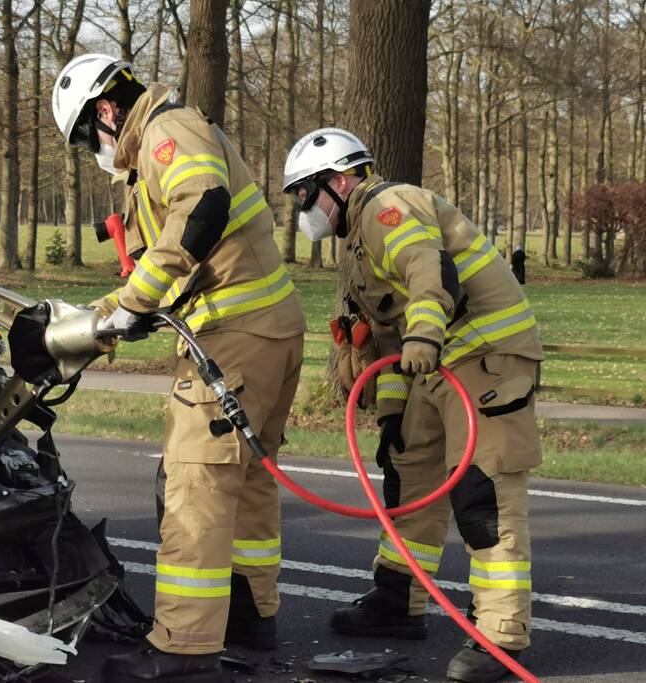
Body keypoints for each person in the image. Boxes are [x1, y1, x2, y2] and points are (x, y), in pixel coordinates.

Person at [51, 54, 305, 682]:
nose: (92, 150)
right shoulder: (170, 139)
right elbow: (171, 258)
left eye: (86, 136)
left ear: (105, 110)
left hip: (234, 336)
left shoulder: (166, 130)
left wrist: (135, 302)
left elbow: (202, 209)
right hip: (267, 330)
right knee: (247, 483)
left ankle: (184, 648)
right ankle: (248, 613)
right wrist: (104, 315)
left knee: (196, 485)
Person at [282, 128, 544, 683]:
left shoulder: (388, 207)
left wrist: (424, 334)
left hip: (487, 357)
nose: (303, 208)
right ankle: (399, 598)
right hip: (437, 364)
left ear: (339, 181)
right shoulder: (355, 243)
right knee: (408, 472)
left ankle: (500, 633)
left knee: (484, 492)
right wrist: (392, 413)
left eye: (305, 193)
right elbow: (386, 340)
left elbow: (429, 270)